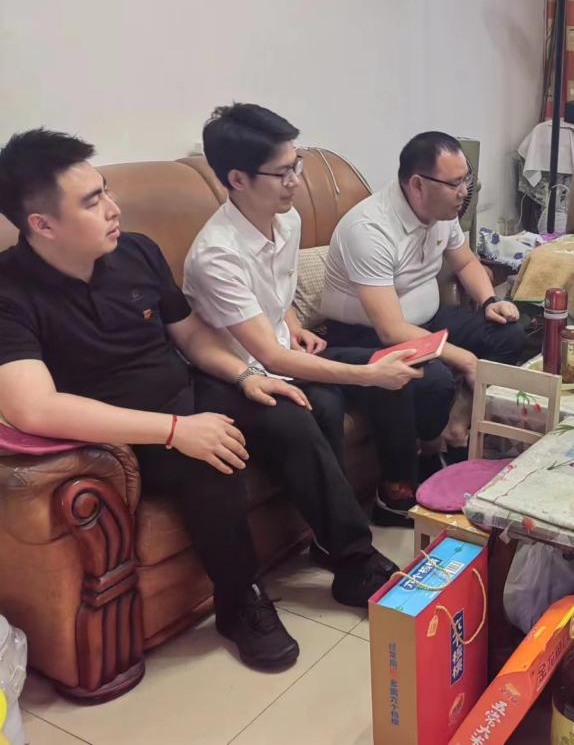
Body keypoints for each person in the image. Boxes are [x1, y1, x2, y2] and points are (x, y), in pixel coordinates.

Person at [0, 129, 400, 674]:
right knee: (211, 460)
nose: (114, 209)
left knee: (287, 412)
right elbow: (35, 408)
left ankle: (353, 559)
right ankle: (241, 604)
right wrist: (174, 431)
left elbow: (189, 336)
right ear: (43, 225)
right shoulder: (10, 294)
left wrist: (245, 376)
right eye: (93, 202)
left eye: (107, 190)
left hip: (184, 390)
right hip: (121, 434)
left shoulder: (135, 251)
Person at [185, 103, 422, 525]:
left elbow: (275, 294)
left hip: (284, 352)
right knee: (332, 401)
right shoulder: (216, 255)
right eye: (283, 173)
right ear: (237, 179)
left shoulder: (287, 220)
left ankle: (395, 497)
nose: (296, 181)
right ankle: (338, 539)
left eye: (297, 165)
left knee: (398, 370)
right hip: (243, 372)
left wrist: (293, 324)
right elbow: (270, 359)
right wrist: (369, 375)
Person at [320, 131, 526, 468]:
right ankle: (428, 455)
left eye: (466, 180)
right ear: (418, 185)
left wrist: (490, 301)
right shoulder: (369, 229)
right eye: (455, 184)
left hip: (426, 322)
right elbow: (390, 330)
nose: (464, 192)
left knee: (509, 333)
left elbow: (465, 262)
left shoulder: (443, 213)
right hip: (367, 337)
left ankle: (457, 423)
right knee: (435, 380)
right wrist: (464, 358)